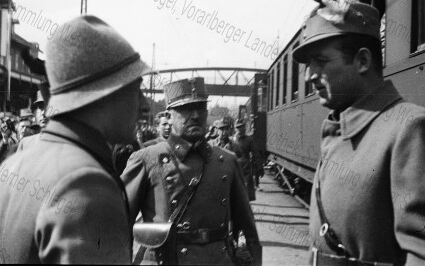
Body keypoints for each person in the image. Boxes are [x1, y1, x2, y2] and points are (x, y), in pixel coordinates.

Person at [292, 0, 425, 265]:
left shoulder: (411, 131)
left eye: (320, 61)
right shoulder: (340, 130)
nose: (310, 76)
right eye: (308, 65)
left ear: (363, 61)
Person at [0, 15, 150, 263]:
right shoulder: (87, 185)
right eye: (136, 90)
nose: (144, 105)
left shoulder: (12, 166)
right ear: (104, 95)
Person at [121, 77, 261, 265]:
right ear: (169, 116)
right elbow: (118, 226)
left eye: (201, 108)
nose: (195, 115)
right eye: (186, 109)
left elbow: (248, 228)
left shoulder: (227, 161)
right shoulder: (146, 160)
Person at [232, 119, 257, 201]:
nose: (240, 129)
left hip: (246, 168)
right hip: (234, 167)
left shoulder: (249, 140)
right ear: (235, 129)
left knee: (246, 191)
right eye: (238, 127)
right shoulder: (232, 140)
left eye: (241, 127)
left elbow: (255, 154)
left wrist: (254, 167)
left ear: (244, 128)